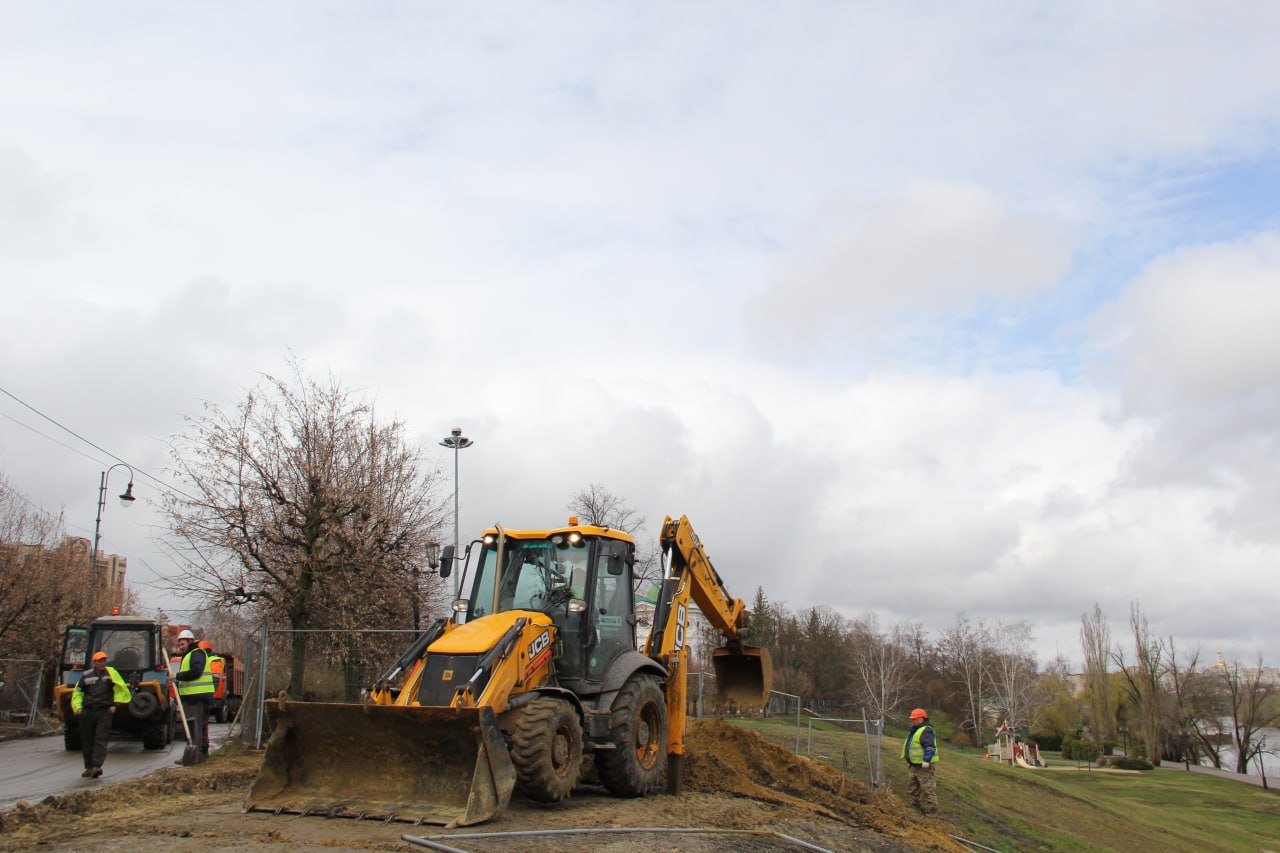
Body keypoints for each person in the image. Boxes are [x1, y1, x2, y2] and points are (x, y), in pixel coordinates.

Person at [71, 651, 131, 778]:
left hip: (104, 711)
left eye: (104, 660)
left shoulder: (111, 674)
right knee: (87, 740)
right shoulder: (86, 675)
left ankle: (97, 766)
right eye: (100, 661)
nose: (102, 663)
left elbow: (121, 689)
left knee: (100, 738)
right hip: (87, 711)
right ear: (94, 662)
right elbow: (78, 693)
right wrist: (78, 708)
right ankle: (89, 767)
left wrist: (116, 705)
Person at [174, 629, 214, 762]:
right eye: (179, 644)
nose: (180, 646)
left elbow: (196, 672)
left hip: (196, 697)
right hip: (196, 696)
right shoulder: (192, 654)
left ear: (190, 641)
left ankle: (194, 756)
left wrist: (178, 676)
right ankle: (201, 755)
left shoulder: (195, 654)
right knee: (200, 726)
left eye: (182, 643)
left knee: (194, 726)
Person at [901, 707, 940, 814]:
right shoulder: (916, 730)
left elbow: (929, 747)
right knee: (912, 787)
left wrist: (926, 761)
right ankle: (913, 809)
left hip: (924, 766)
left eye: (914, 719)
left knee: (927, 788)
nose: (912, 721)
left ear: (921, 719)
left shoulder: (926, 730)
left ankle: (932, 811)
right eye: (912, 719)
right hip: (915, 765)